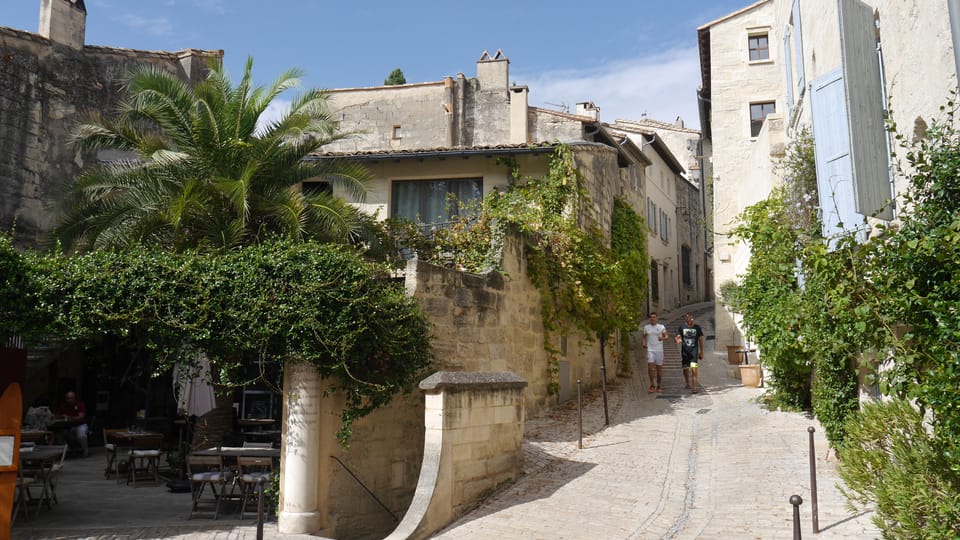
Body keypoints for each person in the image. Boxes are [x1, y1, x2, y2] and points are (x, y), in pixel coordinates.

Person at [675, 313, 705, 394]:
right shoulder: (682, 327)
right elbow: (677, 337)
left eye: (691, 319)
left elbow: (701, 340)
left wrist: (701, 352)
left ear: (693, 319)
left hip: (694, 352)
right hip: (685, 352)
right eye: (688, 319)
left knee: (694, 369)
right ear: (686, 319)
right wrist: (678, 340)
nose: (690, 321)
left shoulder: (697, 328)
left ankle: (694, 387)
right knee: (685, 368)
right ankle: (687, 382)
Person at [56, 391, 89, 457]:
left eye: (71, 398)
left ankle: (85, 451)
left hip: (80, 424)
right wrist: (62, 416)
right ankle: (66, 450)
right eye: (68, 398)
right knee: (59, 434)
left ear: (75, 398)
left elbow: (81, 417)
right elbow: (57, 415)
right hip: (68, 426)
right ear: (66, 399)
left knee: (81, 435)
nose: (70, 400)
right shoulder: (64, 405)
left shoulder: (79, 404)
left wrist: (70, 417)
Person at [641, 312, 668, 393]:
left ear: (657, 318)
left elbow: (666, 336)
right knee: (650, 368)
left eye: (654, 317)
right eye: (651, 317)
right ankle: (652, 385)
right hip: (650, 350)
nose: (652, 318)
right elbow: (644, 336)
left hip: (659, 350)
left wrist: (662, 338)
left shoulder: (661, 327)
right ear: (649, 319)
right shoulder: (646, 327)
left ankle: (659, 385)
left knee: (659, 369)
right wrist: (643, 343)